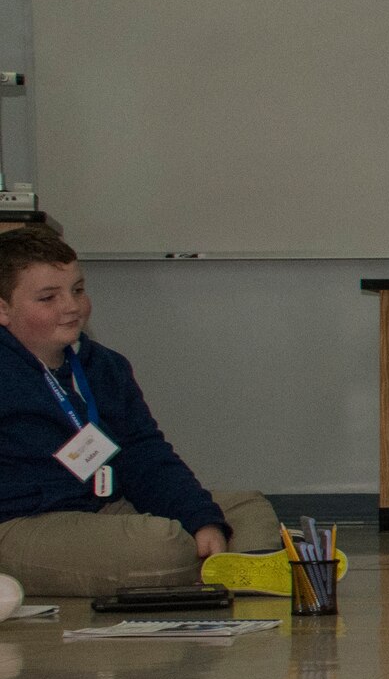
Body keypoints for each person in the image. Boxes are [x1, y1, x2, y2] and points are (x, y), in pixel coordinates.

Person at [0, 226, 286, 598]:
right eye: (48, 297)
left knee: (246, 509)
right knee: (162, 544)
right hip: (23, 523)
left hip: (101, 508)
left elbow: (145, 455)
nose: (71, 306)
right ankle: (214, 570)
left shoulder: (104, 367)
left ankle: (212, 570)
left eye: (78, 290)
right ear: (3, 308)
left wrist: (202, 521)